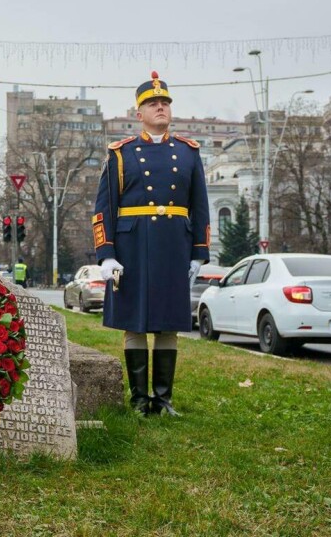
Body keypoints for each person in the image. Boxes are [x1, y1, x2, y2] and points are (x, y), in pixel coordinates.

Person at [92, 71, 210, 416]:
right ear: (138, 113)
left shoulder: (188, 152)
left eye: (165, 103)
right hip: (133, 246)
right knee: (135, 320)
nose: (160, 108)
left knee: (168, 322)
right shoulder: (121, 153)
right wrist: (106, 254)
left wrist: (198, 253)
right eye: (152, 104)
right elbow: (104, 208)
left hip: (174, 244)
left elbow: (199, 205)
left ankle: (163, 399)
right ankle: (140, 400)